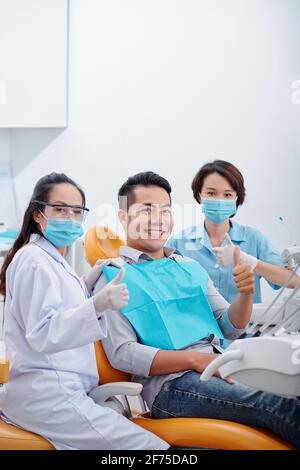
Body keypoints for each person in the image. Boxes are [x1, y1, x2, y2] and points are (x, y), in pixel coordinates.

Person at [96, 171, 300, 448]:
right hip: (172, 386)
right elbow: (123, 353)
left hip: (219, 366)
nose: (158, 219)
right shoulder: (112, 275)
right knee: (278, 404)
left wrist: (246, 292)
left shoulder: (188, 267)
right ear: (123, 218)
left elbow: (230, 324)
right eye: (146, 210)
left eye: (165, 210)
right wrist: (194, 359)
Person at [0, 172, 168, 451]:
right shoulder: (34, 261)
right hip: (50, 395)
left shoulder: (51, 258)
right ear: (39, 214)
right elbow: (44, 334)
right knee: (153, 450)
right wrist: (98, 304)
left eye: (76, 211)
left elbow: (63, 309)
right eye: (60, 209)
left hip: (63, 391)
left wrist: (91, 280)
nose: (69, 217)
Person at [167, 160, 299, 303]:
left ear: (237, 198)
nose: (219, 200)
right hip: (195, 324)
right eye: (211, 193)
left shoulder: (253, 238)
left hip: (248, 325)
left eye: (227, 195)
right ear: (199, 195)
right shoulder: (179, 242)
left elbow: (292, 281)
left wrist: (250, 261)